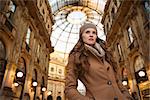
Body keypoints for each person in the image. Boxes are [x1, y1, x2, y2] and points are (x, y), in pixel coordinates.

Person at [65, 23, 133, 100]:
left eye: (94, 33)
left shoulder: (106, 55)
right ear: (81, 36)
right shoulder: (76, 57)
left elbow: (118, 82)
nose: (91, 35)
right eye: (87, 32)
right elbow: (69, 88)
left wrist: (127, 96)